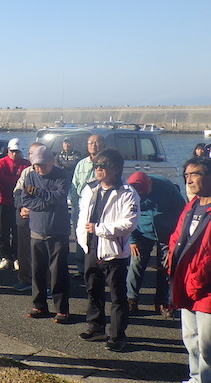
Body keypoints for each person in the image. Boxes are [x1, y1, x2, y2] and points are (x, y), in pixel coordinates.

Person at [76, 148, 139, 352]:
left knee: (118, 296)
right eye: (96, 165)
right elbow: (82, 216)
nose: (98, 169)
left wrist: (99, 229)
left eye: (103, 166)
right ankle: (96, 328)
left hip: (114, 252)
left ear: (115, 169)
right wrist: (82, 237)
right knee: (92, 290)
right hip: (91, 248)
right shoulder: (90, 188)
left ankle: (117, 335)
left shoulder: (128, 193)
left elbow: (129, 223)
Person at [168, 156, 211, 383]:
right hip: (186, 283)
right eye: (186, 175)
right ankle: (195, 378)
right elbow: (177, 238)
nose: (189, 180)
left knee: (207, 344)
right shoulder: (191, 205)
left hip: (206, 289)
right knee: (191, 338)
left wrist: (198, 277)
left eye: (195, 174)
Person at [21, 145, 71, 323]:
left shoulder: (62, 175)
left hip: (58, 232)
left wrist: (38, 193)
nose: (39, 168)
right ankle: (39, 305)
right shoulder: (30, 175)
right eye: (36, 164)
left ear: (52, 161)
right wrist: (45, 202)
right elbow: (25, 199)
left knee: (58, 273)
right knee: (37, 271)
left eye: (42, 164)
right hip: (36, 231)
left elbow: (60, 197)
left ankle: (62, 309)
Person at [126, 171, 185, 316]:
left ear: (150, 185)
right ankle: (131, 299)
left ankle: (162, 301)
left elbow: (182, 211)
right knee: (136, 263)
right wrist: (132, 240)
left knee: (165, 266)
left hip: (167, 232)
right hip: (141, 231)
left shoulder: (166, 187)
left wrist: (177, 237)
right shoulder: (128, 192)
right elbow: (125, 216)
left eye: (143, 193)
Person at [70, 134, 106, 278]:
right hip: (82, 206)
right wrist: (75, 207)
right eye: (90, 143)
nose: (93, 145)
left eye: (96, 142)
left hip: (101, 207)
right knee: (81, 236)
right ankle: (81, 268)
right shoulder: (81, 164)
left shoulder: (107, 163)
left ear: (103, 145)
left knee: (100, 237)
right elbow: (74, 187)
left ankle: (100, 267)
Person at [12, 142, 45, 291]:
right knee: (24, 250)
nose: (33, 156)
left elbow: (51, 196)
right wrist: (22, 207)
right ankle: (25, 279)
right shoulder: (26, 172)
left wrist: (33, 209)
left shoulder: (51, 172)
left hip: (42, 218)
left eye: (36, 153)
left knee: (43, 252)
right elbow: (17, 192)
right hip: (24, 217)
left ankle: (46, 283)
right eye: (31, 153)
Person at [0, 138, 30, 270]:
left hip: (20, 203)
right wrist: (18, 181)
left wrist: (18, 182)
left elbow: (27, 181)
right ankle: (5, 256)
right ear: (8, 150)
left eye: (17, 152)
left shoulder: (26, 164)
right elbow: (1, 179)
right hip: (3, 201)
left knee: (18, 230)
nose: (15, 154)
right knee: (2, 231)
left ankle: (16, 256)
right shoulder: (1, 162)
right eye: (13, 151)